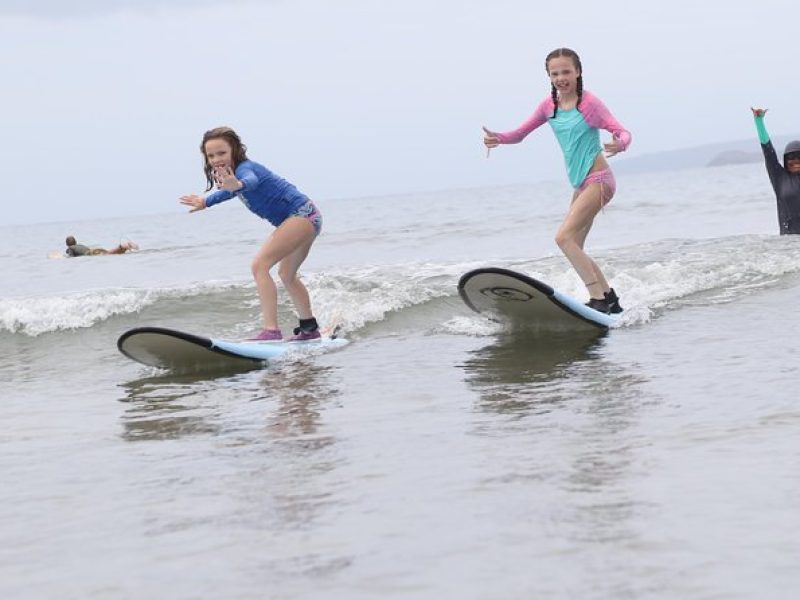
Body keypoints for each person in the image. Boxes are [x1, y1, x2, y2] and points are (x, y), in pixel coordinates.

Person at [482, 47, 631, 314]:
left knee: (563, 238)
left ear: (578, 72)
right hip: (581, 185)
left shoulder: (590, 104)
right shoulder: (548, 107)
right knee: (576, 245)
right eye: (555, 73)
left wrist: (620, 144)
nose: (561, 77)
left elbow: (621, 131)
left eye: (566, 71)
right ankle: (610, 299)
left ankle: (597, 299)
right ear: (549, 77)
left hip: (600, 180)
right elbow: (520, 133)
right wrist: (499, 138)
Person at [179, 126, 323, 342]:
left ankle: (271, 331)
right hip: (308, 217)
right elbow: (228, 192)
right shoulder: (232, 176)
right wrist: (205, 202)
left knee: (259, 266)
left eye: (222, 153)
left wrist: (237, 184)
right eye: (211, 155)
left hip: (301, 215)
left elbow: (248, 183)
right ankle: (309, 329)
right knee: (287, 275)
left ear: (235, 150)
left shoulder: (246, 169)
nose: (216, 159)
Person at [750, 107, 800, 234]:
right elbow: (768, 152)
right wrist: (759, 122)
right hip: (788, 245)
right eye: (790, 157)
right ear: (785, 160)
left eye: (799, 156)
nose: (795, 161)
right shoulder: (779, 178)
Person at [65, 235, 138, 257]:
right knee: (110, 253)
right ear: (76, 242)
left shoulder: (70, 248)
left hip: (91, 253)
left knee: (110, 254)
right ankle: (123, 248)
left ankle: (122, 246)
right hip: (94, 250)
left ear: (67, 244)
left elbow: (71, 257)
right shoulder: (80, 245)